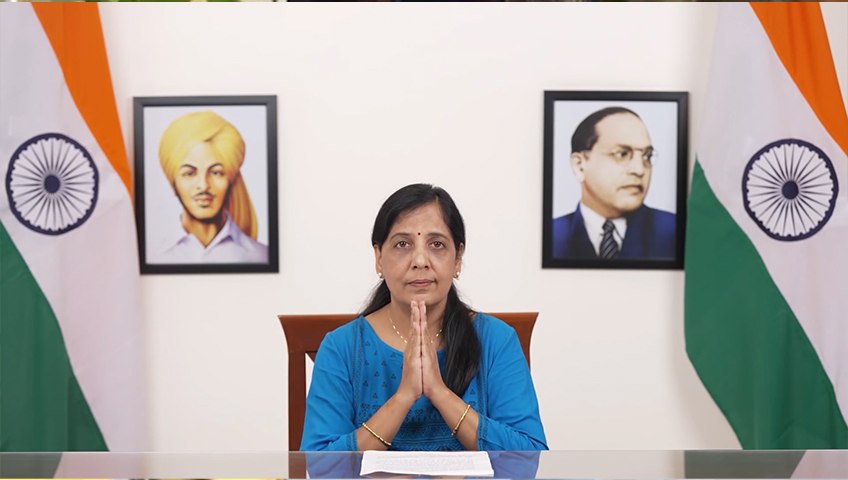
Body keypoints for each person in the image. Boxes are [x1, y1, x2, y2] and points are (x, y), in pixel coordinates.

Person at [300, 183, 547, 451]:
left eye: (437, 244)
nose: (420, 260)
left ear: (457, 259)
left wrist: (438, 392)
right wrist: (404, 397)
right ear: (379, 258)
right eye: (402, 244)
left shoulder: (496, 340)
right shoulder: (342, 348)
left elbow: (530, 456)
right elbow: (320, 465)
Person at [552, 107, 676, 260]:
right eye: (622, 154)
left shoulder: (674, 232)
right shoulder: (551, 237)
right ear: (580, 166)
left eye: (647, 156)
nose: (639, 170)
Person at [149, 111, 268, 264]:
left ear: (231, 180)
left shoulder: (261, 256)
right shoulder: (152, 255)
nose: (203, 185)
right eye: (189, 173)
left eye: (216, 172)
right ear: (173, 183)